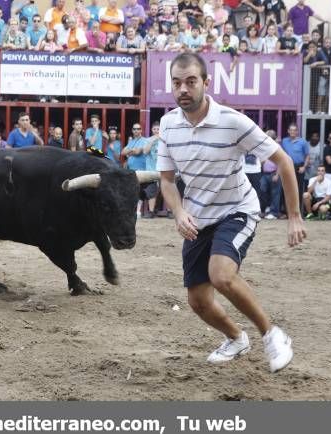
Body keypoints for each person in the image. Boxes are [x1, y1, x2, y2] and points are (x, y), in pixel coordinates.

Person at [157, 53, 304, 373]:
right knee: (198, 301)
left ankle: (272, 334)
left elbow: (284, 162)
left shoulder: (233, 121)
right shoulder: (168, 125)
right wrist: (179, 212)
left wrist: (294, 215)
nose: (183, 88)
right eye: (177, 82)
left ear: (206, 83)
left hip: (236, 210)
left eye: (191, 81)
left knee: (221, 275)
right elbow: (167, 181)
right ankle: (236, 338)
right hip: (197, 217)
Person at [122, 122, 148, 217]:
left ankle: (138, 211)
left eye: (138, 129)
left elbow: (137, 152)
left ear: (141, 130)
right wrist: (132, 150)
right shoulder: (131, 141)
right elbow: (123, 152)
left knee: (139, 190)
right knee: (132, 190)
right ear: (132, 130)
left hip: (141, 169)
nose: (136, 130)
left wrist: (131, 151)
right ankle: (133, 211)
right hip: (131, 169)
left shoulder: (145, 140)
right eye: (134, 129)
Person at [281, 124, 309, 209]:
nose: (293, 132)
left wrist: (304, 167)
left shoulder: (303, 142)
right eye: (291, 130)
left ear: (297, 131)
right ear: (288, 131)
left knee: (298, 189)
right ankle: (286, 211)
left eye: (295, 130)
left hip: (299, 167)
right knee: (287, 189)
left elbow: (307, 156)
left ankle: (298, 211)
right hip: (288, 167)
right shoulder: (284, 141)